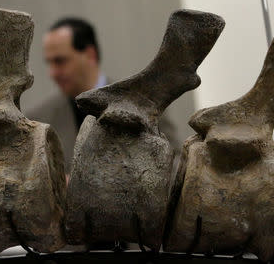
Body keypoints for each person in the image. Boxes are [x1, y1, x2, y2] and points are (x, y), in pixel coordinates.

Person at [27, 18, 179, 175]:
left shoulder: (145, 104)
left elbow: (174, 165)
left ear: (90, 55)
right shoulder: (38, 119)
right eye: (49, 63)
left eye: (60, 61)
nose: (53, 73)